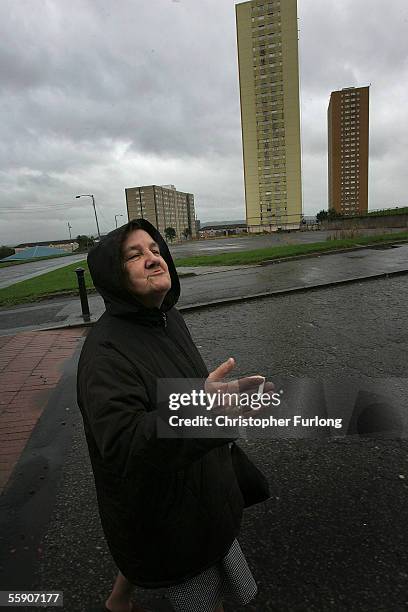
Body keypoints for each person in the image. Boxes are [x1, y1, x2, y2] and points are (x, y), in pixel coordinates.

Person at [77, 219, 265, 612]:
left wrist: (214, 402)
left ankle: (118, 601)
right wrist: (202, 409)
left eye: (155, 250)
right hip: (169, 513)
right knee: (204, 592)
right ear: (114, 276)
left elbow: (182, 392)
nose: (151, 258)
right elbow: (127, 443)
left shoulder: (166, 316)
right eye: (134, 255)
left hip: (195, 480)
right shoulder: (104, 355)